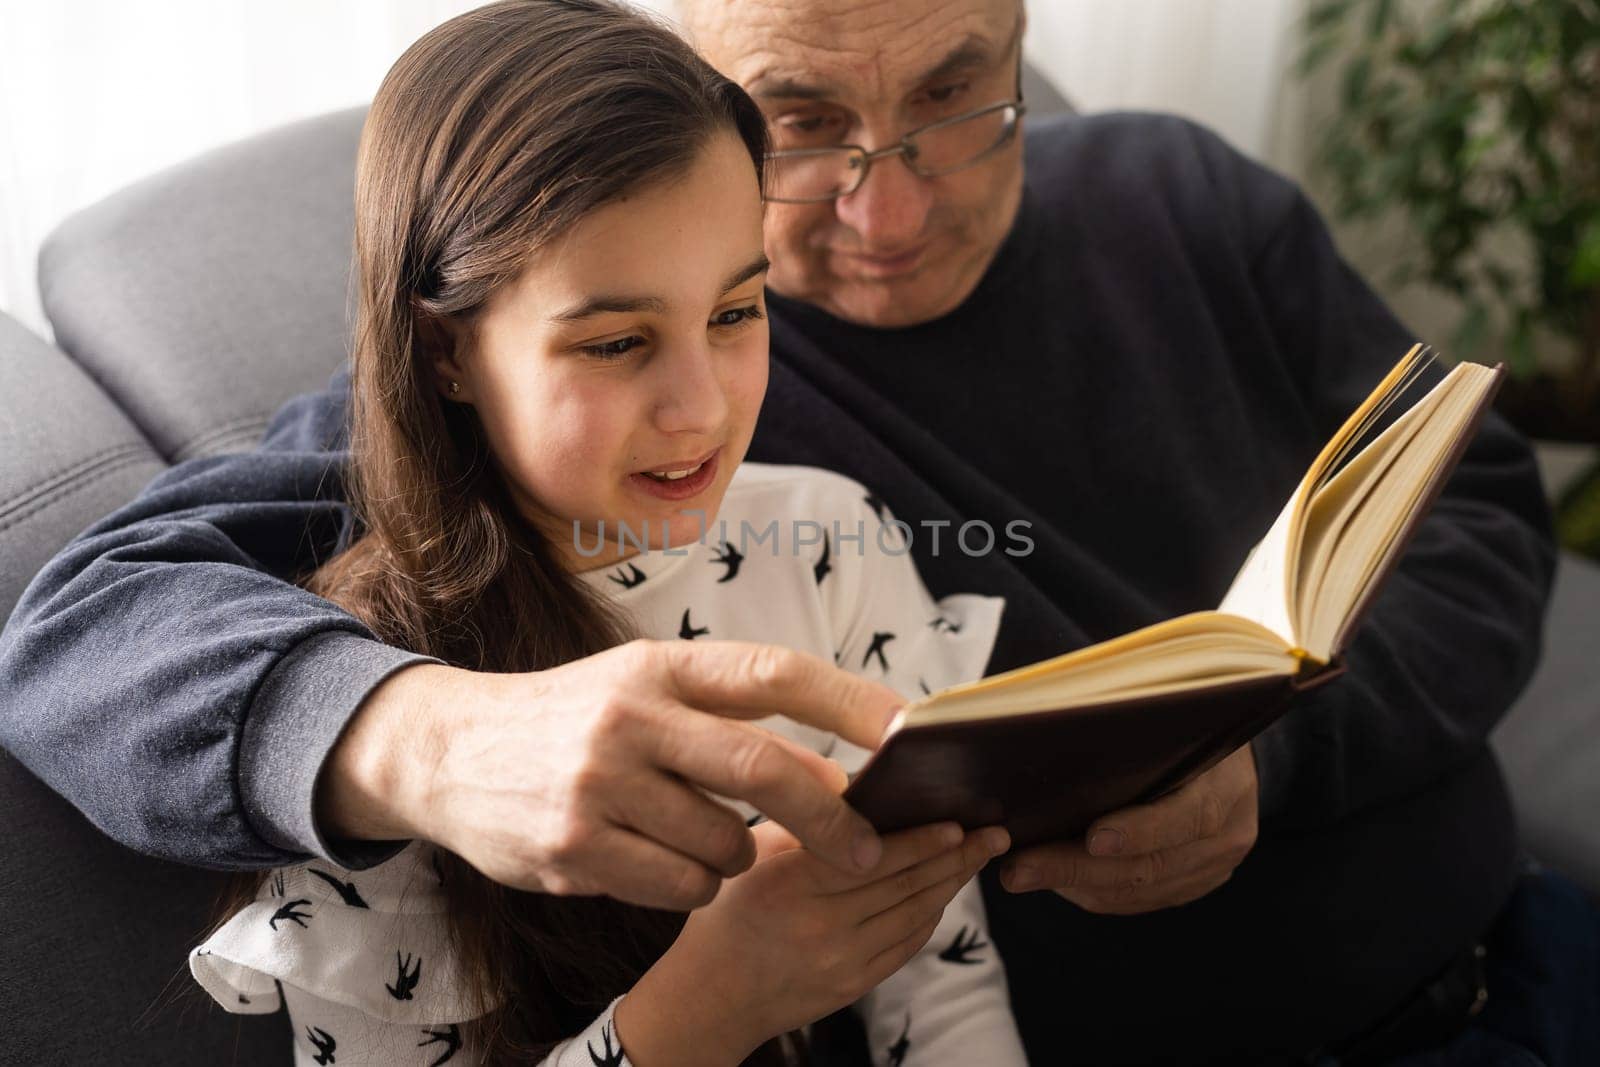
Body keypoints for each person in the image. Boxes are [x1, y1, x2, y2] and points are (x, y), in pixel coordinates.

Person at [0, 0, 1575, 1062]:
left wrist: (1282, 754)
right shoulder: (579, 391)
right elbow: (85, 621)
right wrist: (419, 733)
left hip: (1514, 942)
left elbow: (1486, 505)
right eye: (802, 123)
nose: (890, 214)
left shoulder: (1186, 195)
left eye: (959, 93)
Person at [183, 7, 1027, 1064]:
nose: (700, 409)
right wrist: (702, 1009)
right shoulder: (370, 714)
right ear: (446, 351)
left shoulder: (829, 537)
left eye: (734, 313)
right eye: (618, 341)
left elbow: (943, 983)